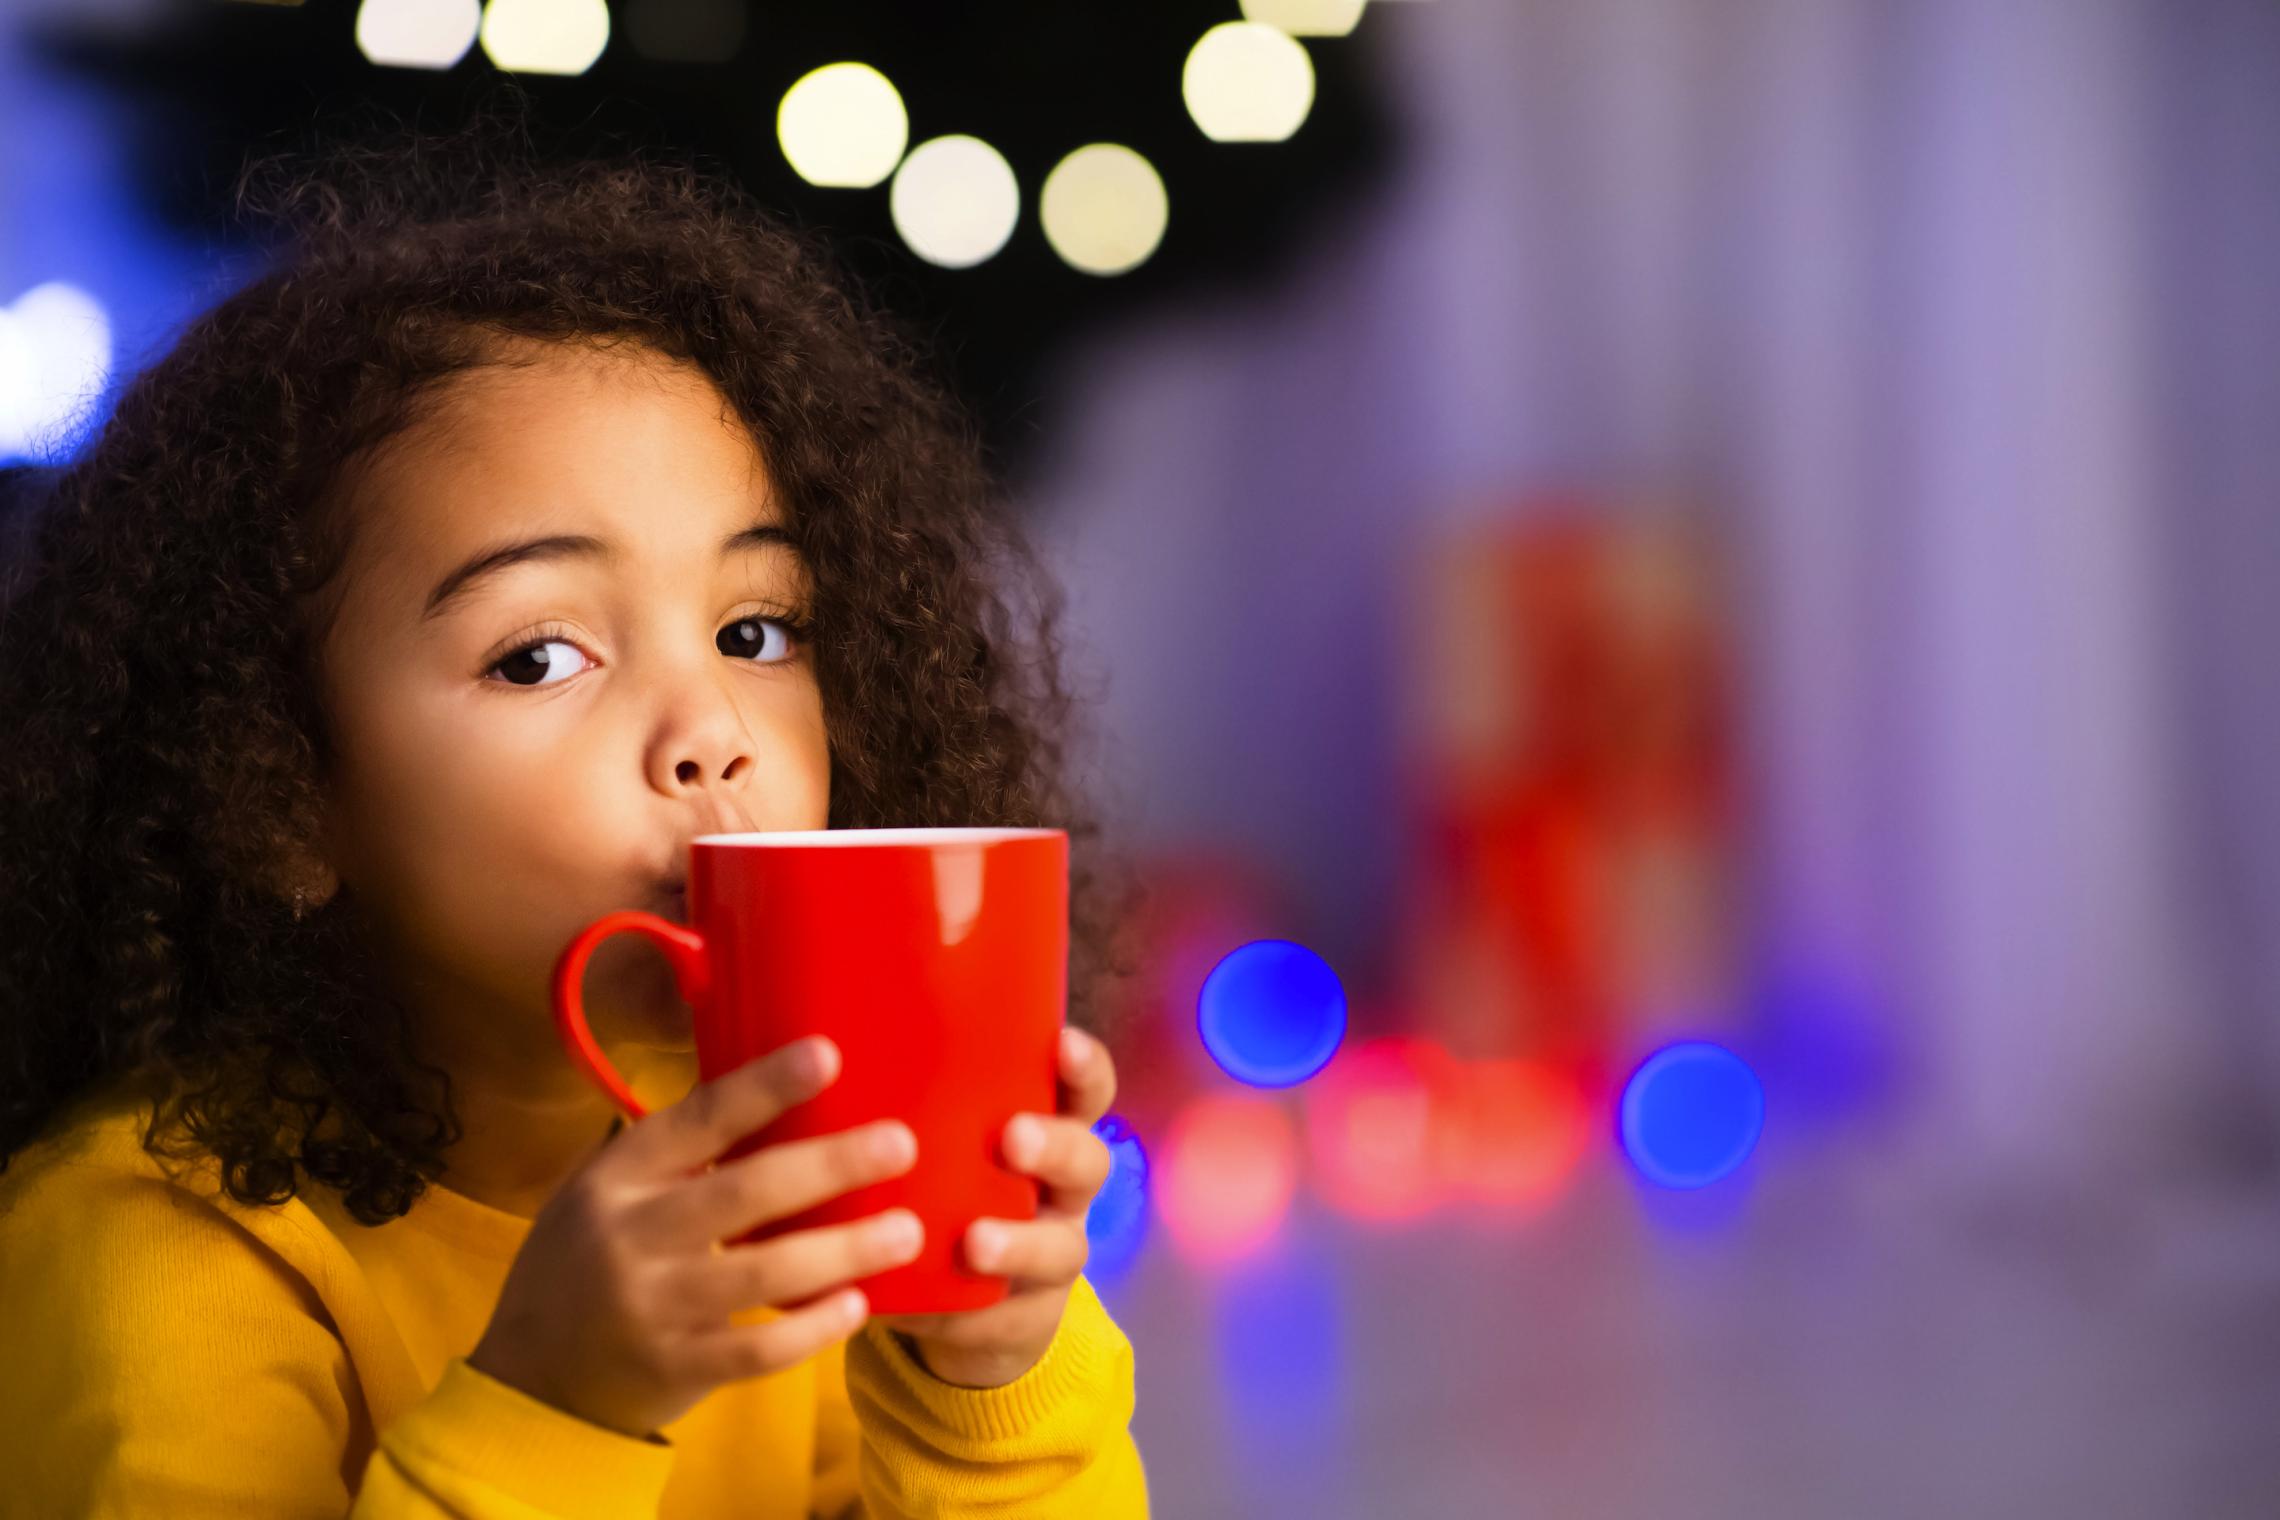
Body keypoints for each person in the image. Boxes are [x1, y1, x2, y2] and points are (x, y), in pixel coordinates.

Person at [0, 122, 1146, 1519]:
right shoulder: (156, 1248)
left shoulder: (800, 1158)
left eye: (755, 628)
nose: (712, 734)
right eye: (539, 655)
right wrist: (558, 1403)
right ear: (276, 796)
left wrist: (985, 1384)